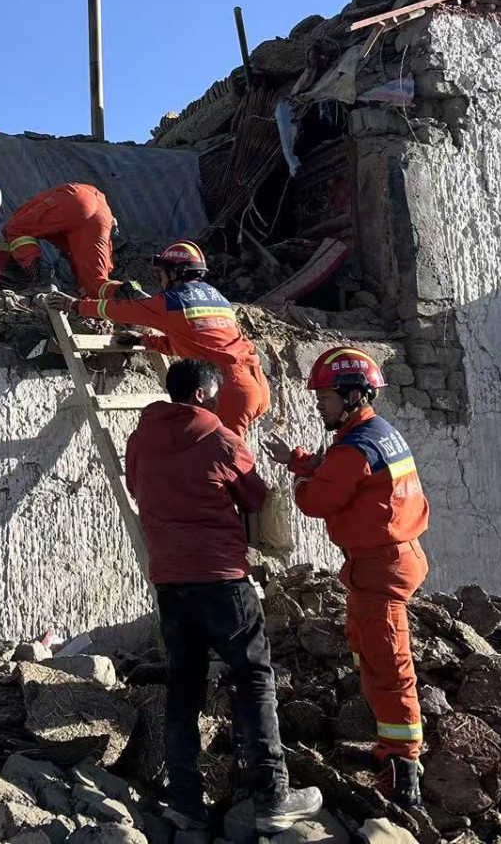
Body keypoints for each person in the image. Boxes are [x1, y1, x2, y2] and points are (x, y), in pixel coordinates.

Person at [127, 357, 322, 833]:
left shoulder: (140, 438)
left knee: (184, 687)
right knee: (254, 680)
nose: (219, 403)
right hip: (223, 580)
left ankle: (185, 802)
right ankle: (273, 797)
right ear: (199, 395)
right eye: (215, 395)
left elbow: (136, 487)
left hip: (171, 581)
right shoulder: (220, 439)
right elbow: (256, 498)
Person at [264, 347, 431, 808]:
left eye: (325, 396)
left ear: (353, 394)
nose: (319, 404)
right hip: (387, 558)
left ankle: (403, 769)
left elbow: (318, 499)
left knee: (389, 664)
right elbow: (342, 473)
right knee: (367, 647)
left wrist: (296, 484)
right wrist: (298, 459)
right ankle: (387, 738)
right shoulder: (374, 434)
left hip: (381, 567)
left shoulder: (355, 446)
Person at [42, 240, 270, 435]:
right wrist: (145, 341)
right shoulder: (217, 298)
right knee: (222, 461)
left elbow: (120, 310)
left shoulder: (172, 302)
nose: (160, 279)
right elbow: (195, 343)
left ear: (174, 273)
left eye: (162, 273)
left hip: (229, 391)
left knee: (219, 468)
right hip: (256, 385)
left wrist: (75, 305)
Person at [0, 182, 120, 296]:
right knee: (95, 281)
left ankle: (43, 279)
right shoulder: (53, 226)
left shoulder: (13, 221)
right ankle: (132, 298)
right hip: (102, 211)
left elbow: (4, 239)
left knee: (16, 229)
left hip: (75, 198)